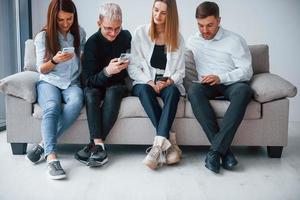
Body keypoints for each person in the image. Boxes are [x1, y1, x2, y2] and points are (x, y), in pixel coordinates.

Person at [187, 1, 253, 174]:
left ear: (219, 20)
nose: (205, 30)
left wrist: (221, 77)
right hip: (207, 85)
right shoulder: (192, 41)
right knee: (193, 90)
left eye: (210, 25)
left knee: (245, 91)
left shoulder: (235, 40)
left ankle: (215, 152)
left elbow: (247, 71)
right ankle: (226, 153)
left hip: (231, 84)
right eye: (200, 25)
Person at [26, 0, 86, 179]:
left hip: (72, 83)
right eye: (61, 20)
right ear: (53, 18)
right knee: (51, 107)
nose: (66, 24)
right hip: (49, 81)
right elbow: (40, 69)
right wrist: (55, 60)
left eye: (69, 19)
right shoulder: (43, 37)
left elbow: (82, 58)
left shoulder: (79, 32)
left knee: (77, 101)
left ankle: (44, 143)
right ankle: (52, 158)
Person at [128, 0, 185, 170]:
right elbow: (133, 66)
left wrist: (169, 81)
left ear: (171, 16)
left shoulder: (178, 38)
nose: (157, 16)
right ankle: (170, 144)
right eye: (156, 10)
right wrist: (149, 81)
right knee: (145, 91)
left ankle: (157, 147)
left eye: (163, 13)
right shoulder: (140, 33)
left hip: (166, 83)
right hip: (144, 81)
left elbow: (180, 71)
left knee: (174, 92)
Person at [74, 3, 131, 167]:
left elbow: (133, 63)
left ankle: (94, 146)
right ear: (99, 23)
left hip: (118, 85)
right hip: (97, 84)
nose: (113, 33)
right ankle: (99, 147)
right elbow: (88, 81)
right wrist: (107, 71)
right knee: (90, 93)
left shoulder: (126, 36)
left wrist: (128, 63)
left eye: (117, 28)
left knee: (113, 91)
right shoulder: (92, 43)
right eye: (108, 28)